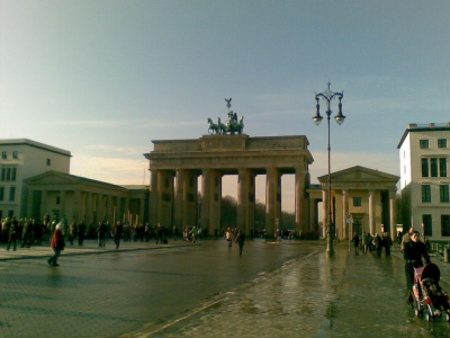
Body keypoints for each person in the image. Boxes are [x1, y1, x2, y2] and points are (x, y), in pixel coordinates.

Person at [403, 230, 431, 304]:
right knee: (411, 284)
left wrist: (428, 261)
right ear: (411, 237)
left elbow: (425, 254)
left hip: (418, 265)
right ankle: (410, 299)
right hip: (410, 266)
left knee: (420, 283)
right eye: (415, 236)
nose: (416, 237)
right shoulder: (407, 244)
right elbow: (405, 255)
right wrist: (409, 260)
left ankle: (420, 297)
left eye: (417, 236)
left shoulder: (421, 244)